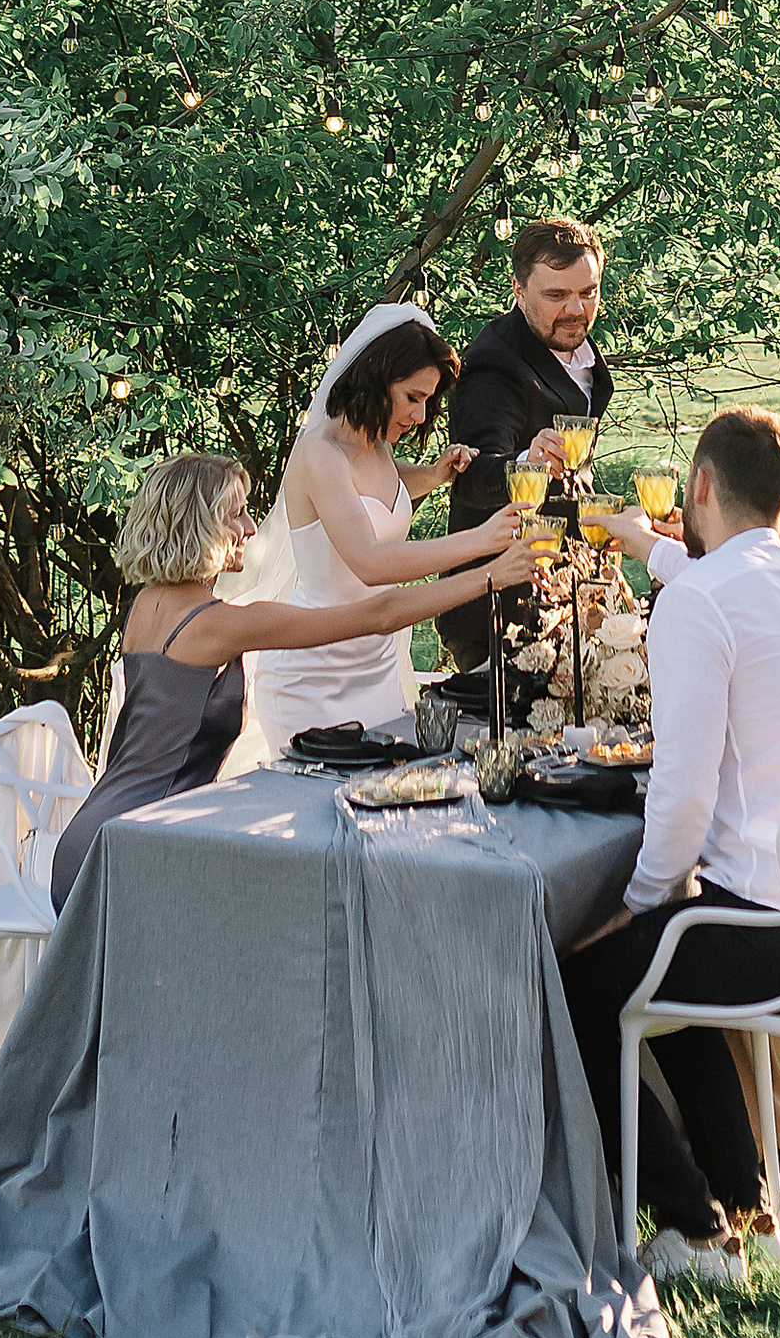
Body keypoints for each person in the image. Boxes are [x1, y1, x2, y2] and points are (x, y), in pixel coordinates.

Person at [558, 407, 780, 1290]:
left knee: (579, 984)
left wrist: (637, 905)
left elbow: (684, 794)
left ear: (700, 485)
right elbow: (717, 581)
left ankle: (692, 1227)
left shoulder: (696, 603)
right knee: (673, 962)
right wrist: (647, 544)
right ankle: (746, 1208)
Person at [50, 451, 523, 908]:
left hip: (96, 833)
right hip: (130, 848)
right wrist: (490, 576)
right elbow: (379, 615)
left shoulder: (147, 604)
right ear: (198, 526)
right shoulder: (216, 625)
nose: (251, 527)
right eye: (235, 515)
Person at [233, 305, 508, 759]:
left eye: (427, 401)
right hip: (313, 671)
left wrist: (434, 475)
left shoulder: (376, 444)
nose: (420, 415)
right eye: (412, 397)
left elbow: (378, 493)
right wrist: (483, 540)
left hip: (377, 664)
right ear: (377, 380)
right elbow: (370, 562)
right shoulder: (319, 454)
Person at [441, 219, 617, 689]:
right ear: (519, 292)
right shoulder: (494, 365)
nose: (576, 309)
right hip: (499, 610)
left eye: (588, 292)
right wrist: (526, 464)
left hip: (567, 595)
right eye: (556, 295)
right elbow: (472, 475)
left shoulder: (576, 345)